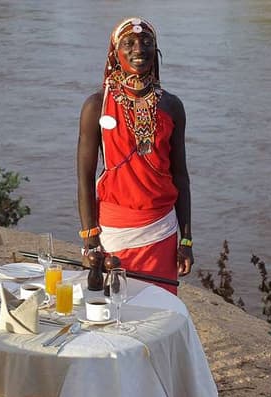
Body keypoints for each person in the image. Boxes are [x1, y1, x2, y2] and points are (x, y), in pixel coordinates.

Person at [76, 17, 193, 294]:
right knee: (115, 311)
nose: (138, 49)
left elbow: (181, 177)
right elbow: (84, 177)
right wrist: (91, 240)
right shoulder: (97, 105)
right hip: (114, 232)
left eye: (147, 43)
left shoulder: (172, 105)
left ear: (156, 50)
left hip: (161, 231)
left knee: (160, 311)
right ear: (115, 54)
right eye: (128, 43)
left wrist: (186, 241)